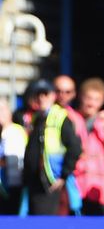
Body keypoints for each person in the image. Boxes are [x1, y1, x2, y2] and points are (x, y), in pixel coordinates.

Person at [22, 79, 82, 215]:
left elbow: (75, 148)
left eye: (45, 94)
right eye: (38, 94)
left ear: (53, 95)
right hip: (35, 183)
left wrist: (63, 176)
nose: (41, 98)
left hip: (50, 183)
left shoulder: (60, 117)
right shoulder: (37, 118)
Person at [72, 78, 104, 215]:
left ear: (103, 100)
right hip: (76, 186)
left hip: (101, 188)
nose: (91, 103)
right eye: (88, 98)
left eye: (96, 99)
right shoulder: (71, 119)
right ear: (80, 97)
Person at [0, 100, 27, 214]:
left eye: (2, 110)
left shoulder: (14, 131)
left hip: (11, 185)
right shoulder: (3, 132)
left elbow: (10, 159)